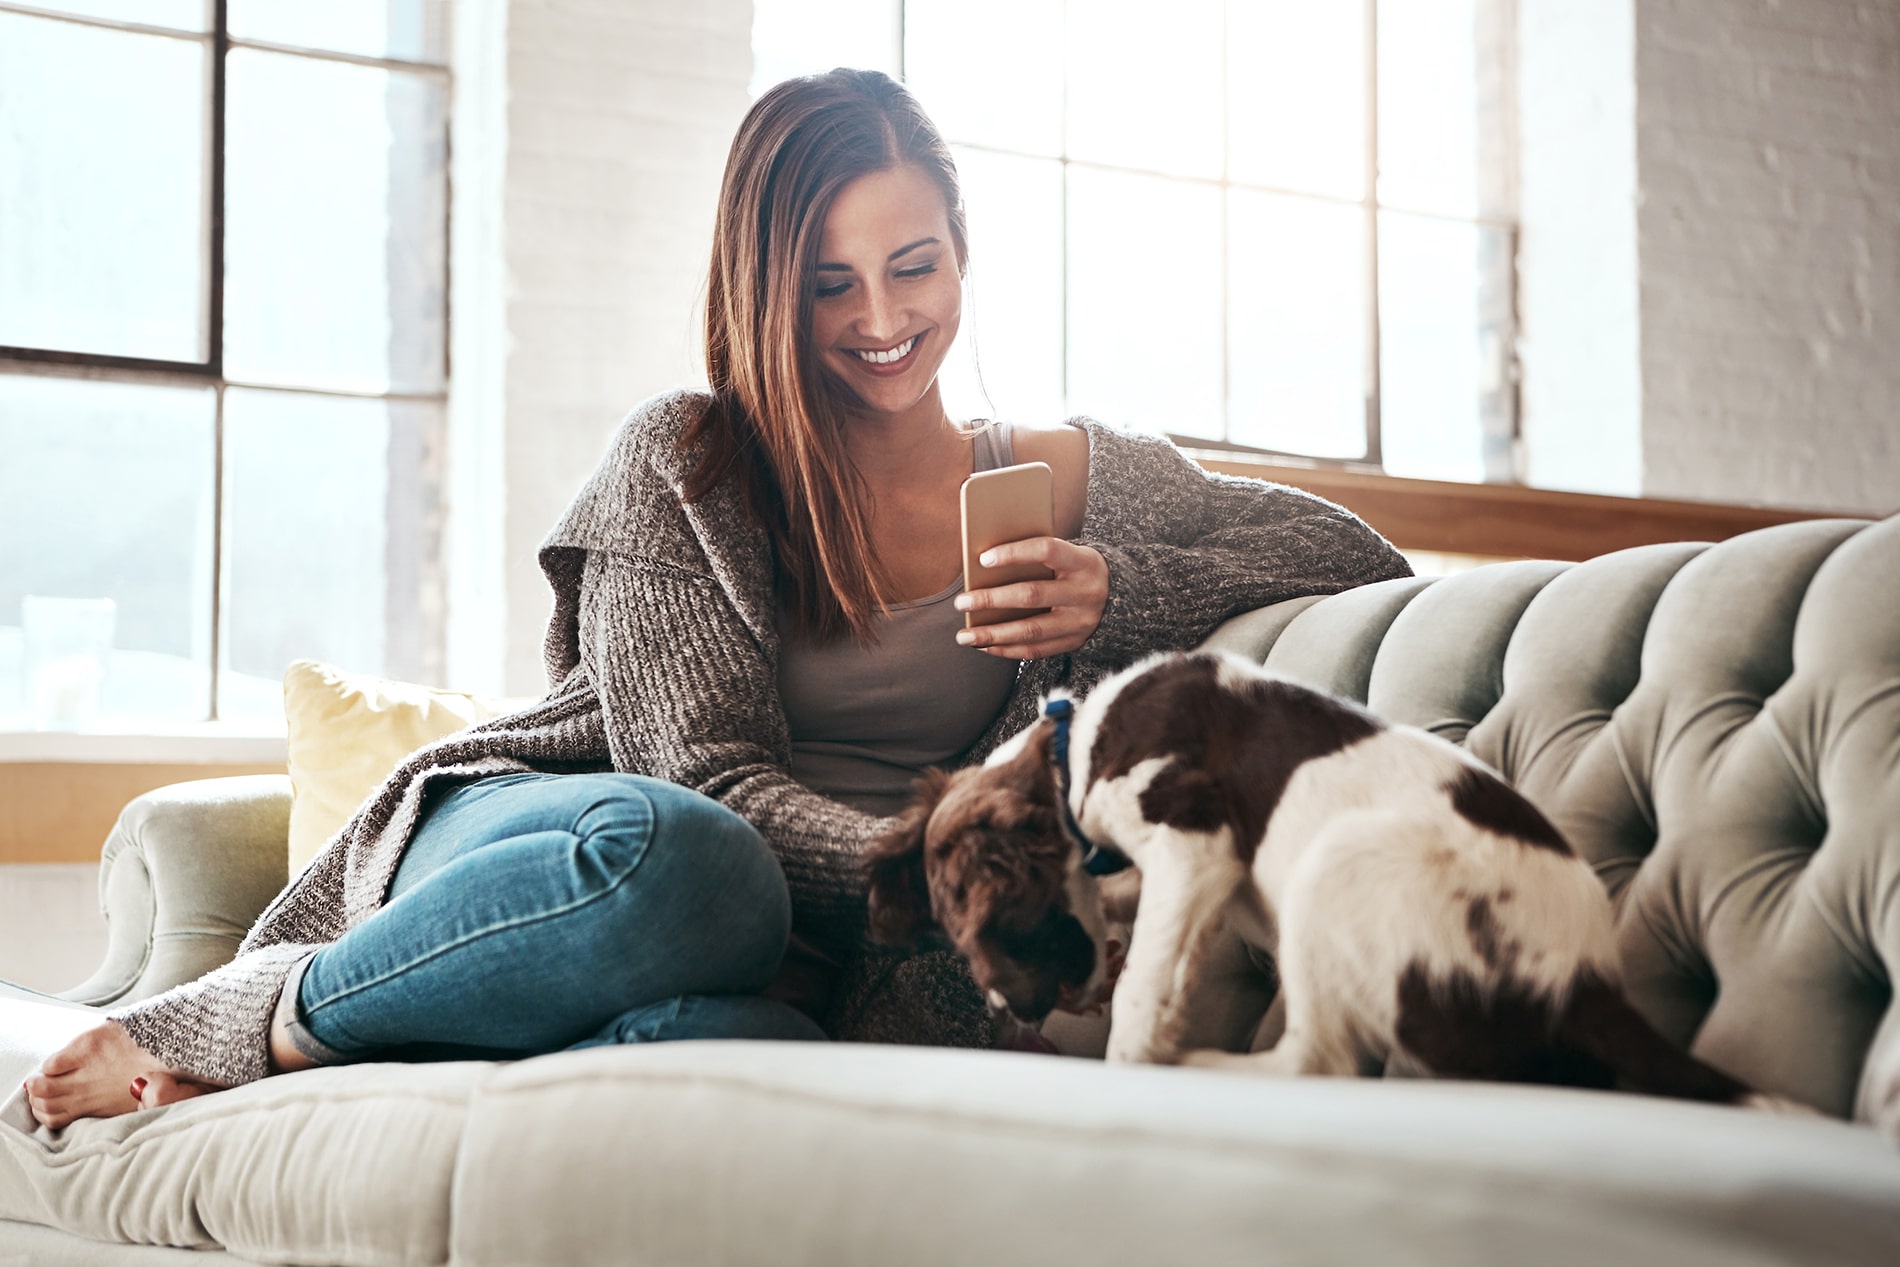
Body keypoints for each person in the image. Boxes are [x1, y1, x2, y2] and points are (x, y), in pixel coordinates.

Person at [23, 68, 1410, 1128]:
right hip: (571, 838)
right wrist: (940, 866)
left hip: (816, 940)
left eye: (914, 264)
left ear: (965, 253)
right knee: (699, 872)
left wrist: (1120, 587)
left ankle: (467, 1042)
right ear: (767, 288)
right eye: (829, 283)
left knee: (751, 1044)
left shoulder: (1061, 474)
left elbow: (1357, 561)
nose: (882, 317)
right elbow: (703, 779)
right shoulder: (686, 462)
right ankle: (240, 1020)